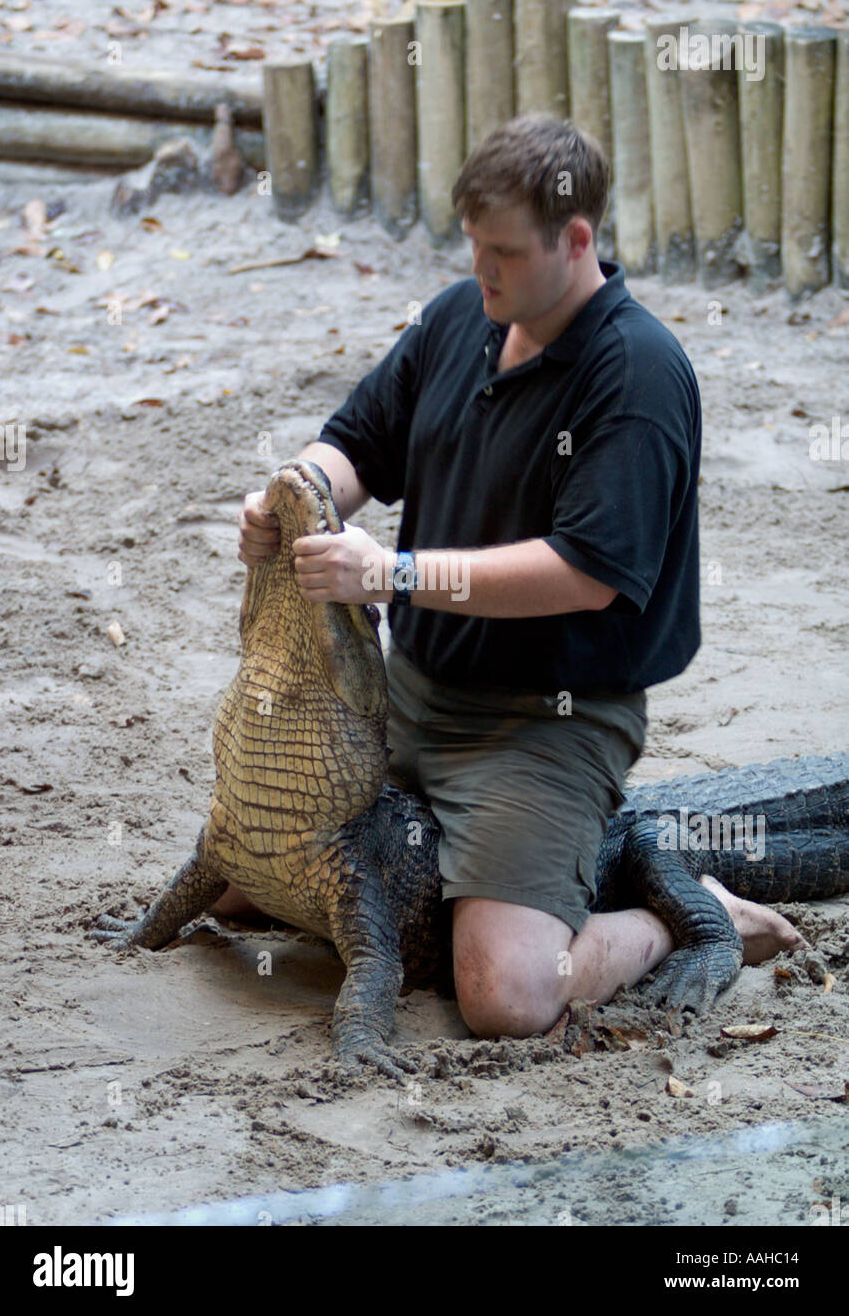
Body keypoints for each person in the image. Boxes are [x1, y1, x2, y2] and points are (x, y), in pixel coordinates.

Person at [227, 114, 801, 1037]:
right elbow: (357, 443)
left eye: (502, 250)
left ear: (576, 240)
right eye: (473, 245)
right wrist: (291, 497)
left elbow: (584, 574)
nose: (481, 268)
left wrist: (395, 572)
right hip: (406, 693)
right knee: (250, 884)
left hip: (540, 729)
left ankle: (691, 918)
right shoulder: (464, 315)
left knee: (505, 994)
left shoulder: (637, 375)